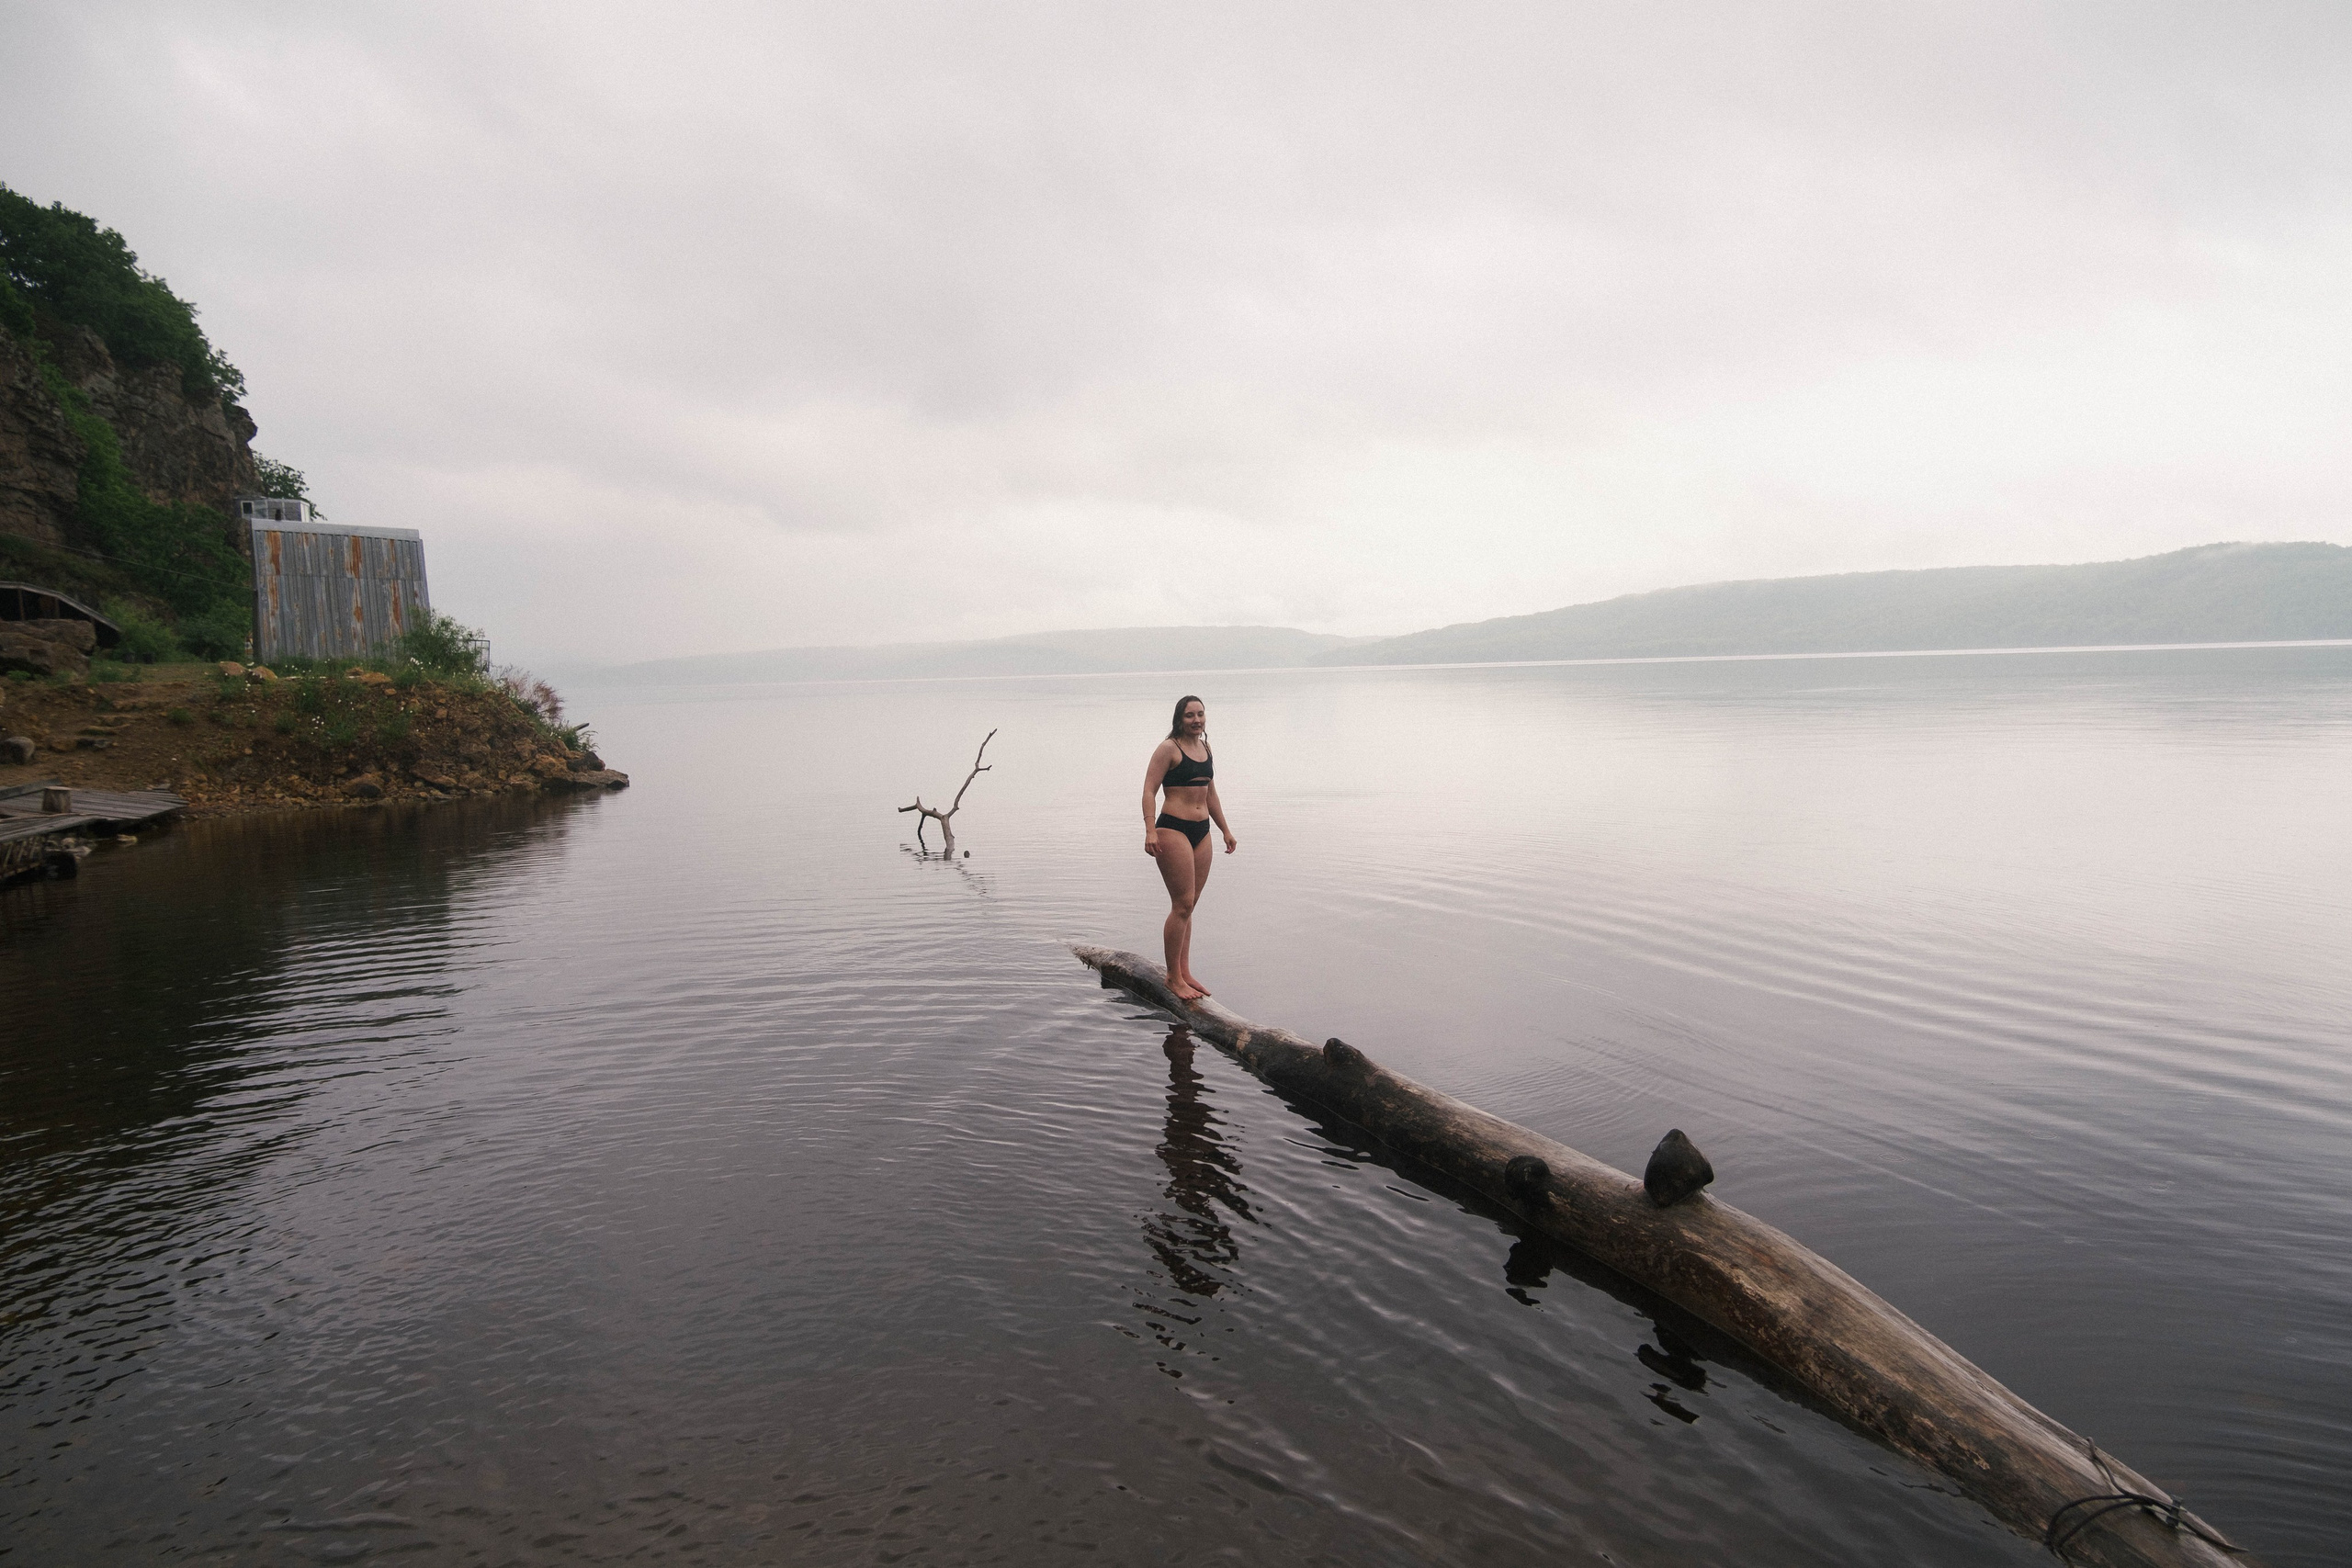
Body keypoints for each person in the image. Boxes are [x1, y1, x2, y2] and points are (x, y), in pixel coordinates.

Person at [1142, 694, 1238, 1001]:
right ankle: (1172, 978)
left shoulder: (1205, 748)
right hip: (1172, 829)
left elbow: (1211, 794)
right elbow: (1148, 791)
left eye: (1200, 714)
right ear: (1179, 718)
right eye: (1189, 715)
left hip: (1202, 831)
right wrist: (1149, 830)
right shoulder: (1168, 748)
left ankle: (1183, 970)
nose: (1196, 720)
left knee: (1190, 903)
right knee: (1181, 904)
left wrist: (1225, 829)